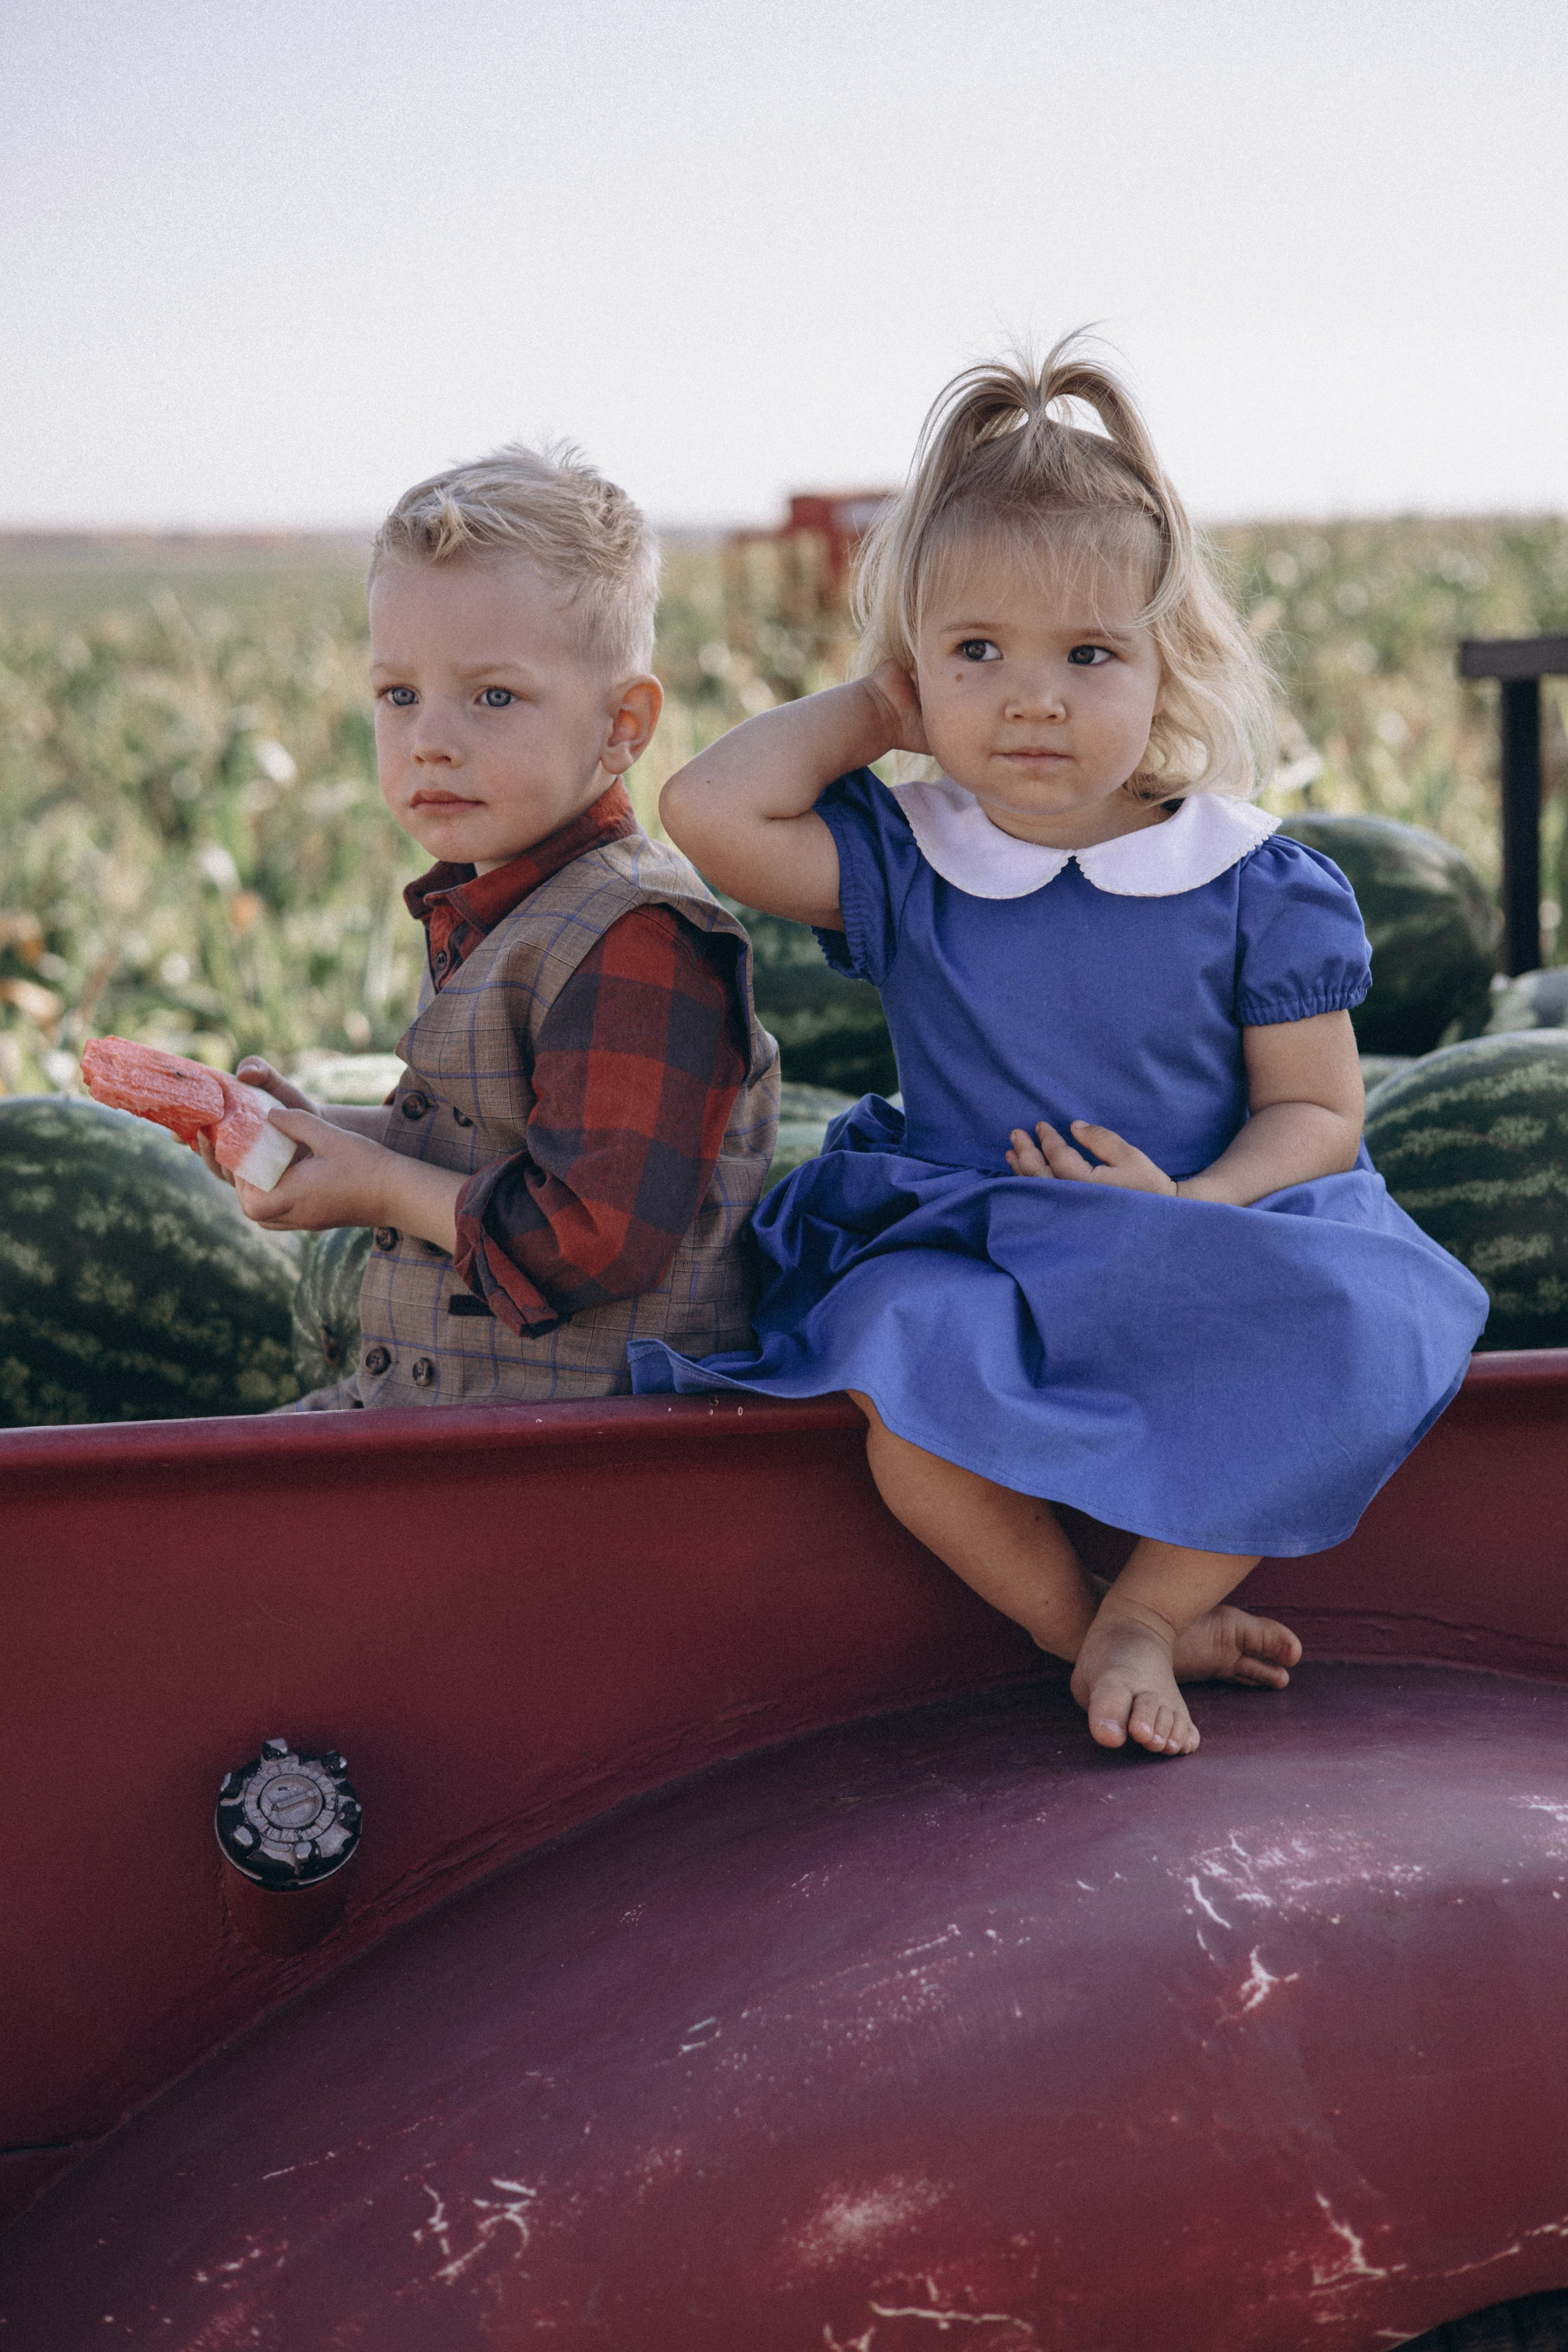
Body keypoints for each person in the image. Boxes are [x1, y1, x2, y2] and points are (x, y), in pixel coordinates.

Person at [630, 338, 1488, 1758]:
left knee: (1357, 1340)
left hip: (1203, 1217)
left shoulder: (1253, 881)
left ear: (1167, 664)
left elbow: (1316, 1115)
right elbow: (707, 813)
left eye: (1087, 656)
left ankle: (1151, 1612)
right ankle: (1073, 1627)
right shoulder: (911, 860)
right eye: (976, 653)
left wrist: (1189, 1205)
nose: (1030, 699)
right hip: (984, 1233)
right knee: (905, 1386)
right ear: (919, 666)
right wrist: (878, 711)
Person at [217, 440, 779, 1406]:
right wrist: (323, 1133)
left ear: (623, 726)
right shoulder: (498, 902)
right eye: (400, 696)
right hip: (457, 1418)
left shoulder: (640, 937)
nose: (431, 740)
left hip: (581, 1447)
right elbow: (494, 1143)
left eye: (493, 697)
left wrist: (379, 1186)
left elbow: (593, 1236)